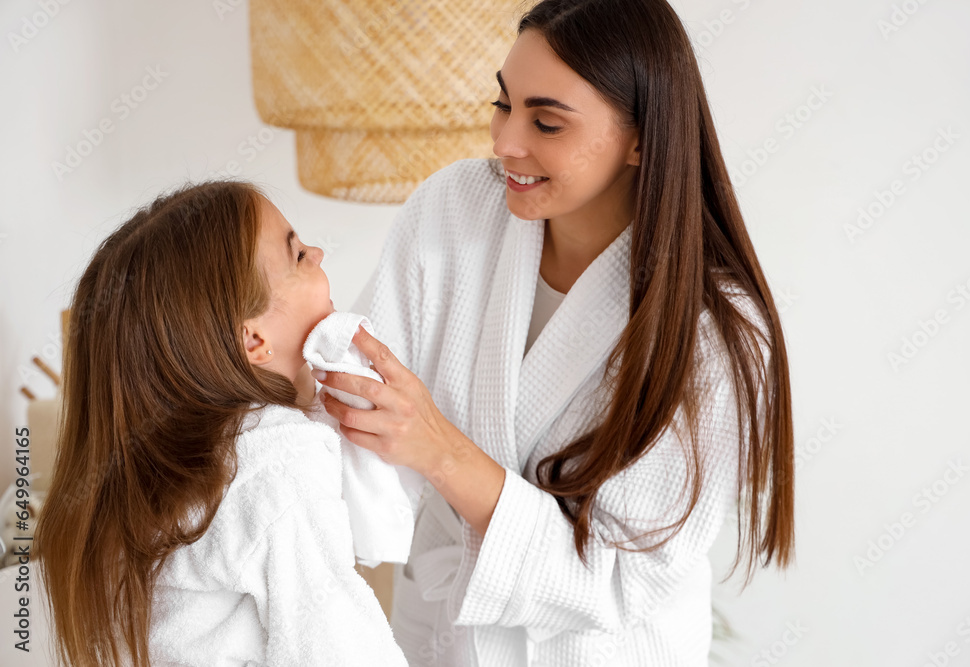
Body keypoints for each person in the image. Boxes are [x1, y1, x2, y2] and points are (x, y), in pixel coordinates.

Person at [312, 0, 796, 665]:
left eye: (546, 121)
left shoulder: (716, 333)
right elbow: (353, 411)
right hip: (439, 640)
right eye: (502, 104)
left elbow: (622, 581)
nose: (506, 141)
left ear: (640, 138)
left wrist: (444, 453)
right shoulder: (454, 210)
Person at [33, 182, 408, 666]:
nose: (317, 252)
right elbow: (337, 642)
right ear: (253, 341)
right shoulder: (278, 459)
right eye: (297, 256)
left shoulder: (166, 462)